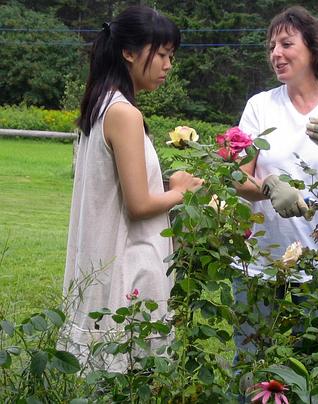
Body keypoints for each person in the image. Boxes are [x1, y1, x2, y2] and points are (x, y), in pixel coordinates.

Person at [58, 6, 203, 372]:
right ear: (128, 52)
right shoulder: (124, 113)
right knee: (132, 379)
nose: (168, 65)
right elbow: (138, 204)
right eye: (163, 54)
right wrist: (182, 190)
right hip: (130, 270)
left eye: (172, 56)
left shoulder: (100, 104)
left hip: (108, 264)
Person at [233, 4, 318, 368]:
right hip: (261, 266)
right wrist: (267, 186)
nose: (275, 54)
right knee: (252, 368)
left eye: (286, 44)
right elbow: (237, 176)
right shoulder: (260, 106)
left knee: (317, 371)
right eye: (271, 47)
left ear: (312, 48)